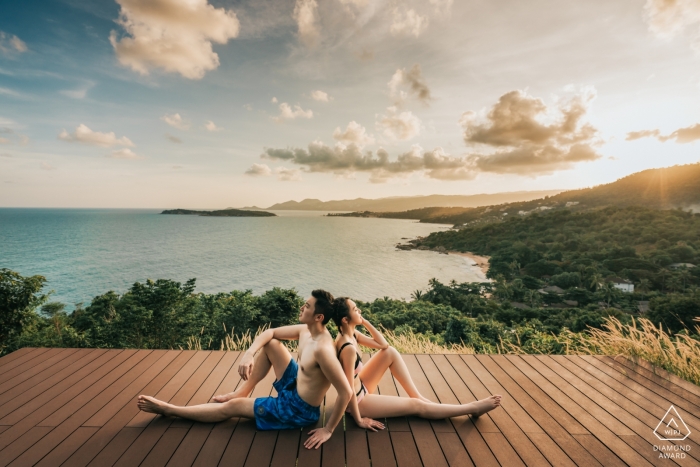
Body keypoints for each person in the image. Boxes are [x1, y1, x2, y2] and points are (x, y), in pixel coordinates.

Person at [137, 289, 383, 450]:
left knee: (231, 409)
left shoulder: (324, 350)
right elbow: (270, 333)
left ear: (318, 317)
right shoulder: (305, 331)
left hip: (297, 410)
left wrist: (329, 429)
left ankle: (172, 410)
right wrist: (248, 353)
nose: (302, 307)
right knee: (272, 345)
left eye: (306, 306)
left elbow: (345, 392)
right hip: (296, 382)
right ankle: (243, 391)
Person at [332, 297, 502, 420]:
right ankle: (472, 408)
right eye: (355, 309)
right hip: (358, 402)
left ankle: (417, 395)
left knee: (390, 352)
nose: (359, 310)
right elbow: (348, 391)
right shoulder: (347, 348)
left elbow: (383, 345)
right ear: (345, 319)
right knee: (416, 407)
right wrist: (359, 420)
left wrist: (365, 321)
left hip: (361, 385)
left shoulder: (351, 333)